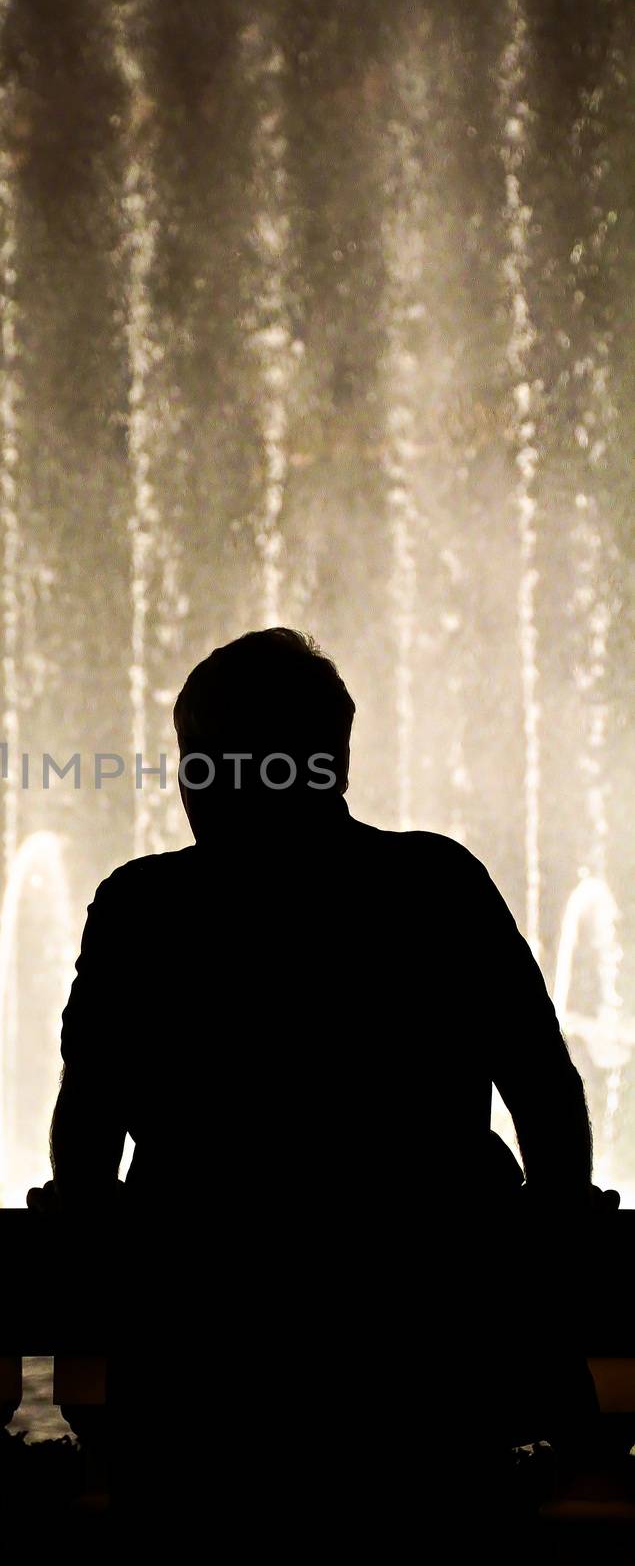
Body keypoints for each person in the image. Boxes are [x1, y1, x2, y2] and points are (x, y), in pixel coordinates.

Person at [41, 629, 607, 1548]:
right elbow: (544, 1090)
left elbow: (87, 1121)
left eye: (197, 760)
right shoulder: (436, 884)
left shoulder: (144, 908)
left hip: (205, 1353)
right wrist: (551, 1238)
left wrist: (90, 1225)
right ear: (334, 759)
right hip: (422, 1352)